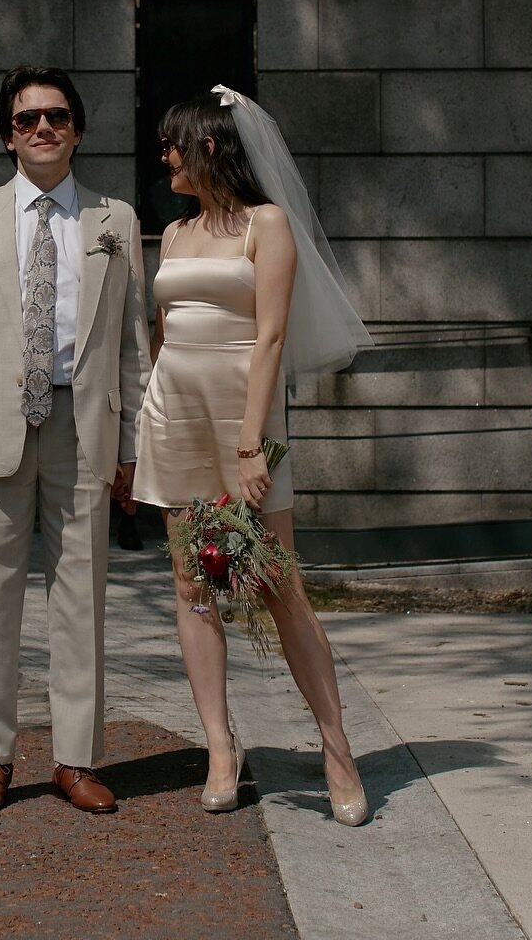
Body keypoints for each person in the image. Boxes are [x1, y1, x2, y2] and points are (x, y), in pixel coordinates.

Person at [132, 86, 373, 824]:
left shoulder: (267, 224)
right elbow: (166, 332)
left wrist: (249, 442)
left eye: (173, 142)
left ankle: (336, 750)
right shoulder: (172, 236)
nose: (162, 155)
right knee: (191, 586)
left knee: (279, 586)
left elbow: (269, 337)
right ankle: (220, 749)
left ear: (210, 145)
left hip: (246, 423)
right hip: (174, 414)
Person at [0, 64, 151, 815]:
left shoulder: (114, 222)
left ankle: (76, 759)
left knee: (81, 600)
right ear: (7, 135)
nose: (43, 128)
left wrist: (134, 448)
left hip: (85, 428)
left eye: (56, 116)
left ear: (78, 129)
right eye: (27, 119)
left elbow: (130, 344)